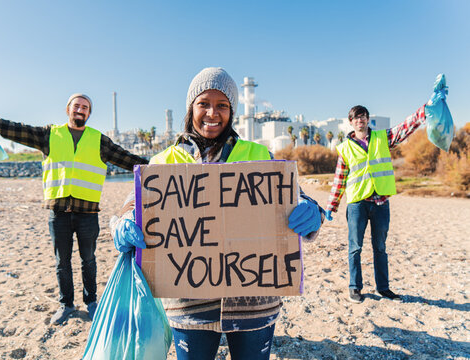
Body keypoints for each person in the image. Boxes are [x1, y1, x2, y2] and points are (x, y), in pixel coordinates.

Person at [109, 67, 324, 360]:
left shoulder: (257, 154)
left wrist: (312, 212)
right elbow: (130, 206)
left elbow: (293, 193)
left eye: (222, 105)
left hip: (254, 302)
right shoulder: (164, 161)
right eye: (204, 103)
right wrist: (122, 224)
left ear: (232, 111)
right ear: (190, 108)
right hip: (188, 303)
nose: (213, 113)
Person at [0, 94, 149, 325]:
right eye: (76, 105)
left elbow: (131, 161)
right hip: (58, 214)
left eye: (85, 107)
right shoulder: (49, 135)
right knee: (62, 262)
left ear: (89, 113)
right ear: (68, 109)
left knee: (88, 260)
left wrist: (165, 165)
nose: (80, 109)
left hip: (88, 214)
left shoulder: (99, 140)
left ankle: (92, 302)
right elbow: (10, 129)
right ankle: (66, 304)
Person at [324, 103, 428, 304]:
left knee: (380, 247)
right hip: (357, 204)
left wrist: (426, 109)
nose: (360, 120)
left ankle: (383, 288)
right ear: (351, 122)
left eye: (363, 117)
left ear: (368, 119)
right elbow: (340, 179)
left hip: (380, 202)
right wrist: (331, 205)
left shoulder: (382, 138)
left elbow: (405, 128)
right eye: (356, 118)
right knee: (355, 247)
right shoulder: (344, 148)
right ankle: (355, 288)